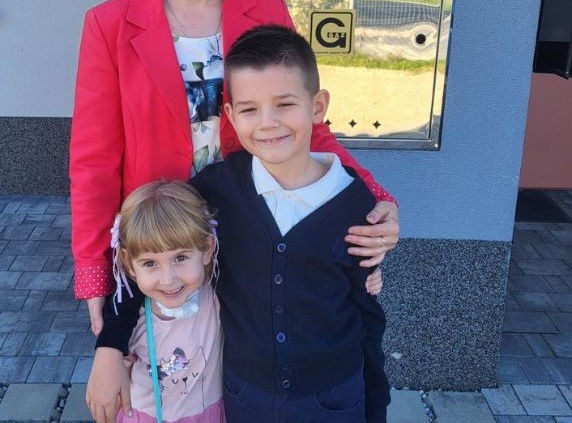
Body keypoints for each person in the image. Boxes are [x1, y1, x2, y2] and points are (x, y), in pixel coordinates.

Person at [91, 24, 391, 423]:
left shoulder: (356, 204)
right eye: (250, 109)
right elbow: (146, 254)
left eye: (284, 104)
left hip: (333, 398)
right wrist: (110, 346)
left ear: (317, 106)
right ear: (231, 116)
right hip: (244, 397)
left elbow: (366, 312)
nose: (268, 122)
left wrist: (376, 405)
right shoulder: (215, 190)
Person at [69, 0, 400, 340]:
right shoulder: (109, 24)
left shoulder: (266, 8)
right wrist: (94, 269)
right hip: (164, 240)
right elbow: (94, 160)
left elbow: (303, 124)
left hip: (250, 230)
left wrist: (374, 197)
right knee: (168, 362)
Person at [105, 180, 225, 423]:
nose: (168, 280)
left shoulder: (218, 299)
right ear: (128, 263)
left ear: (207, 249)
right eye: (150, 263)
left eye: (180, 258)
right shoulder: (130, 322)